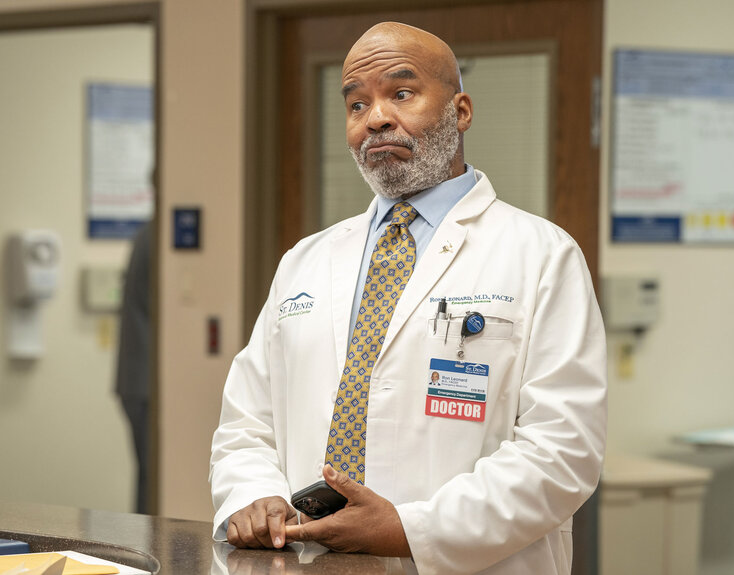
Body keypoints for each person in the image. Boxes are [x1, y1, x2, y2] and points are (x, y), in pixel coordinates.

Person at [210, 22, 606, 575]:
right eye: (355, 104)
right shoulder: (306, 259)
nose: (375, 118)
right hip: (303, 561)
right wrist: (252, 495)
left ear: (461, 111)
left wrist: (411, 530)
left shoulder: (541, 254)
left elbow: (563, 449)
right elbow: (247, 421)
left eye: (401, 93)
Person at [115, 221, 152, 514]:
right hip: (145, 381)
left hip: (136, 378)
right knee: (151, 480)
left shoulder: (144, 235)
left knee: (147, 477)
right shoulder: (156, 237)